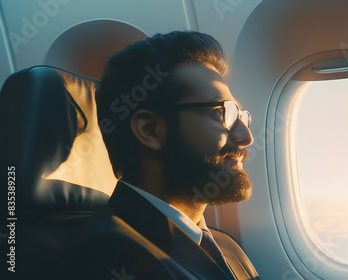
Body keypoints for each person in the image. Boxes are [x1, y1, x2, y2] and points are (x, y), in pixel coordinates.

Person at [56, 31, 259, 280]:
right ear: (149, 130)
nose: (246, 136)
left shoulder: (227, 247)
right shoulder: (107, 261)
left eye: (241, 115)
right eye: (222, 113)